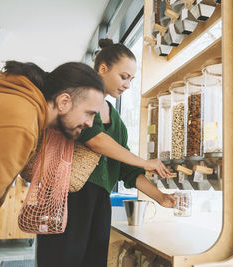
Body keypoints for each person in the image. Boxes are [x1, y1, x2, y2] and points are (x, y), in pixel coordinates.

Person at [36, 39, 176, 267]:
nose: (128, 85)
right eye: (124, 77)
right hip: (66, 197)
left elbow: (127, 171)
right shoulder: (78, 99)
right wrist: (145, 162)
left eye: (131, 79)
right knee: (61, 260)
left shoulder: (117, 121)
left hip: (100, 202)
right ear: (103, 69)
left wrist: (160, 197)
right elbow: (95, 140)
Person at [0, 60, 106, 267]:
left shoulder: (20, 107)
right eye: (89, 113)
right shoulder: (20, 121)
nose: (90, 123)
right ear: (63, 102)